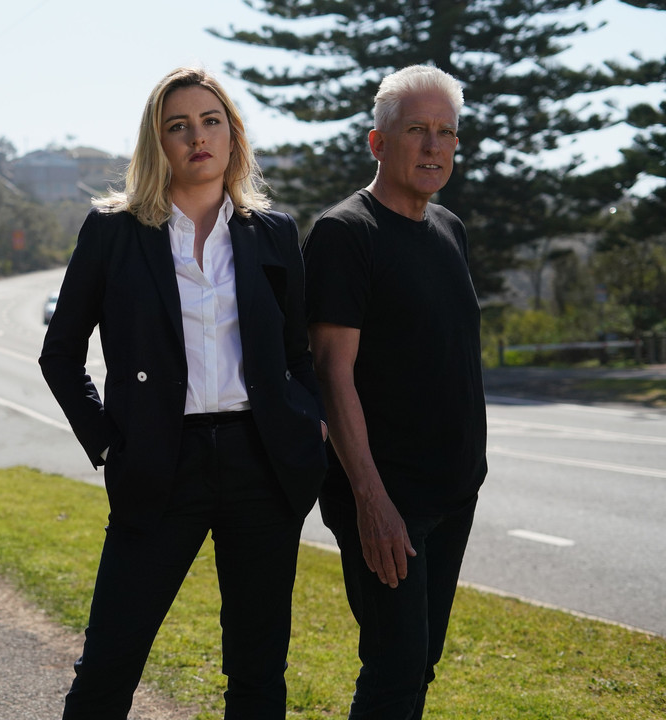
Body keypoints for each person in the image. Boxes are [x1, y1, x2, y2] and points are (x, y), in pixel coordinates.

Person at [39, 66, 328, 720]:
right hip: (159, 465)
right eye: (179, 126)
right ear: (158, 143)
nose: (198, 137)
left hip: (262, 465)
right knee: (109, 665)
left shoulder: (273, 232)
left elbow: (296, 354)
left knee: (258, 674)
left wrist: (309, 422)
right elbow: (60, 354)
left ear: (232, 134)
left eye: (210, 121)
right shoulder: (114, 231)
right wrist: (110, 444)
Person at [301, 64, 488, 719]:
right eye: (416, 131)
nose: (434, 146)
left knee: (419, 665)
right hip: (387, 501)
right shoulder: (346, 233)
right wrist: (371, 502)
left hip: (452, 493)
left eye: (447, 132)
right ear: (378, 142)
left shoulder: (449, 228)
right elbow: (332, 374)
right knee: (394, 670)